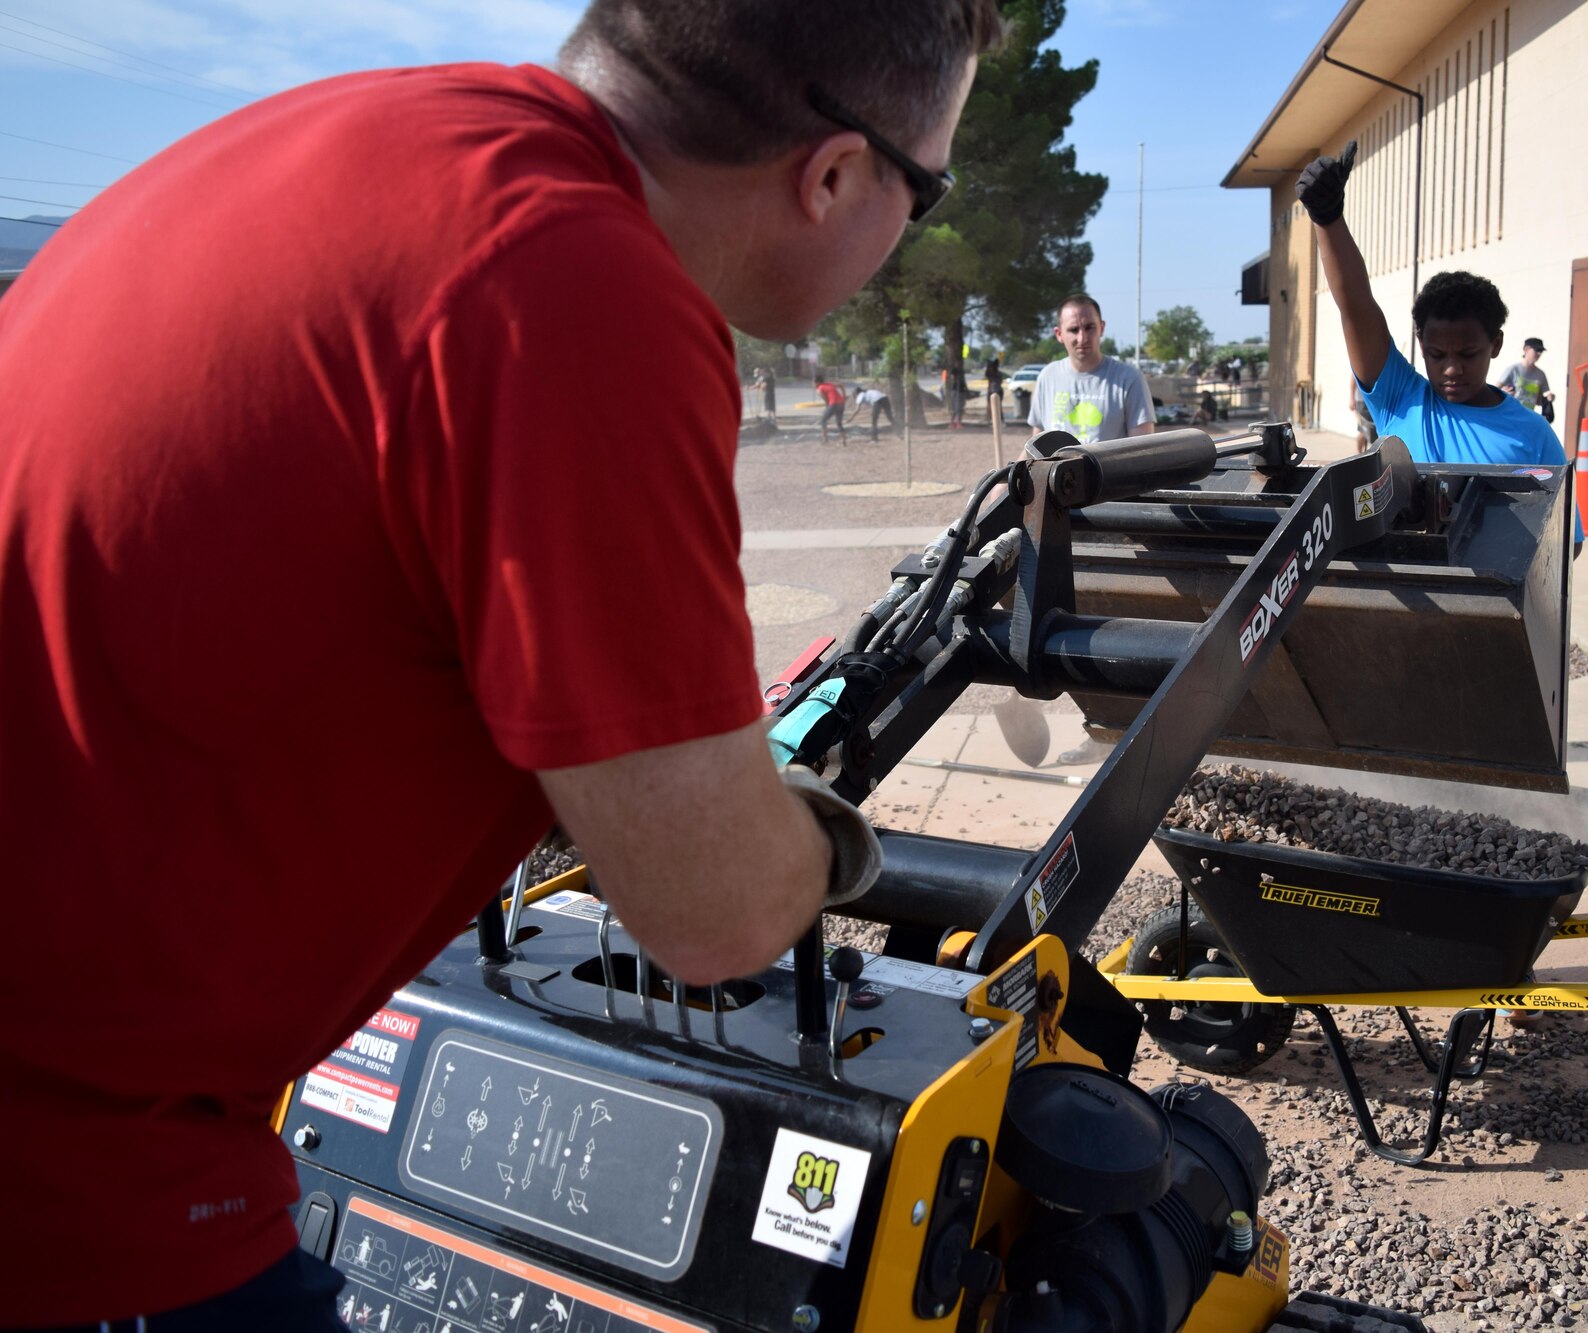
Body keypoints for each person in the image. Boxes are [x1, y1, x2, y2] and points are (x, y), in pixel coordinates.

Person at [0, 0, 997, 1325]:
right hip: (75, 1172)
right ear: (834, 177)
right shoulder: (580, 290)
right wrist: (812, 845)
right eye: (924, 196)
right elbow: (716, 917)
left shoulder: (340, 135)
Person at [1297, 142, 1580, 548]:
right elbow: (1356, 305)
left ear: (1496, 344)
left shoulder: (1533, 435)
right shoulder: (1399, 396)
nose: (1451, 368)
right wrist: (1328, 219)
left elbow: (1567, 542)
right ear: (1420, 344)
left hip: (1488, 603)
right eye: (1436, 354)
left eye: (1467, 354)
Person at [1027, 293, 1156, 447]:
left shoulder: (1129, 378)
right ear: (1059, 334)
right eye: (1074, 330)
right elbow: (1035, 448)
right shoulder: (1048, 377)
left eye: (1089, 328)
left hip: (1110, 472)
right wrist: (1005, 471)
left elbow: (1142, 451)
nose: (1082, 338)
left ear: (1101, 328)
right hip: (1056, 472)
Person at [1499, 336, 1557, 424]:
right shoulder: (1513, 369)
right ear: (1526, 349)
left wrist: (1549, 398)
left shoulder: (1540, 374)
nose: (1539, 354)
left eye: (1541, 351)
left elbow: (1539, 400)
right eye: (1537, 350)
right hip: (1510, 415)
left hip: (1527, 418)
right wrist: (1503, 392)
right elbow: (1494, 389)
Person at [816, 374, 849, 445]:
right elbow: (841, 385)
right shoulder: (829, 384)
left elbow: (826, 400)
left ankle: (825, 440)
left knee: (823, 420)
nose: (812, 384)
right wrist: (844, 396)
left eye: (813, 382)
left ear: (817, 383)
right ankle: (843, 440)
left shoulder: (819, 388)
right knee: (839, 423)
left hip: (833, 404)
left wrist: (827, 406)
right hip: (841, 404)